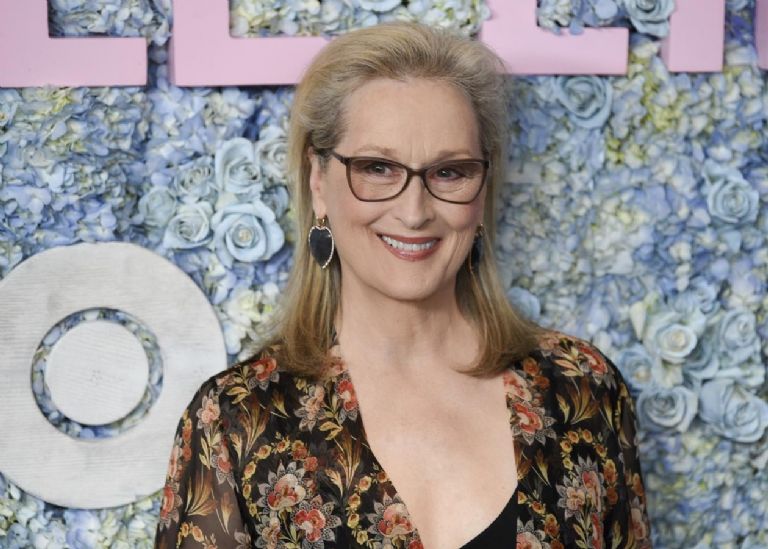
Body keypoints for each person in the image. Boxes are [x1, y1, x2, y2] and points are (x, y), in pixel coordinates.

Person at [155, 21, 652, 549]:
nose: (414, 212)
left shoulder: (582, 388)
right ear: (318, 180)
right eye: (377, 168)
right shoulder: (236, 420)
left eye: (449, 172)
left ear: (483, 186)